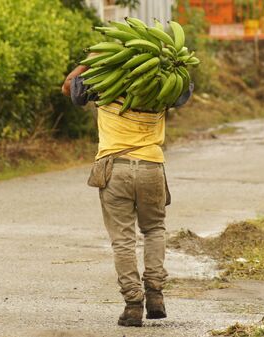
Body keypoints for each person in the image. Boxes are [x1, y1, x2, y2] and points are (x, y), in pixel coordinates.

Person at [62, 64, 193, 327]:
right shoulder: (159, 85)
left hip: (114, 168)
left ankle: (133, 304)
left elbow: (69, 88)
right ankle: (155, 294)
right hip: (151, 168)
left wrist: (90, 62)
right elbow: (185, 89)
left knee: (123, 239)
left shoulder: (102, 82)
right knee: (154, 229)